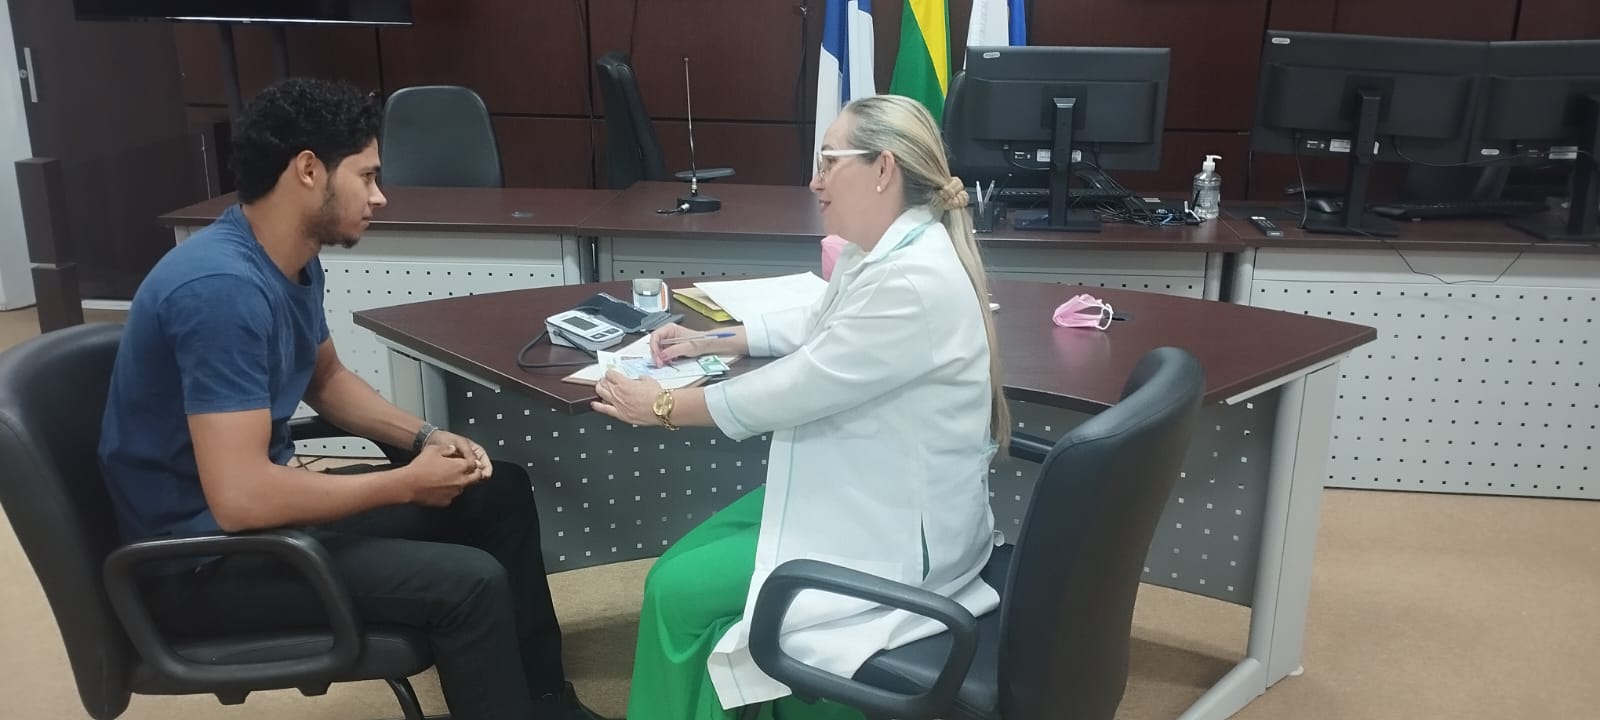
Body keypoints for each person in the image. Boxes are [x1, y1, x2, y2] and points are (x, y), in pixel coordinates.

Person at [98, 77, 603, 720]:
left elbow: (327, 379)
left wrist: (421, 441)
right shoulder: (220, 290)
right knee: (469, 585)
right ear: (309, 170)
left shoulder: (289, 259)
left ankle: (543, 705)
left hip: (256, 532)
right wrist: (403, 485)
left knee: (497, 492)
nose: (379, 195)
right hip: (198, 569)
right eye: (366, 176)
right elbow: (242, 496)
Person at [590, 94, 1011, 720]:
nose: (814, 181)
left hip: (889, 536)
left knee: (675, 592)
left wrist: (664, 405)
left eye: (827, 161)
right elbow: (821, 322)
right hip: (862, 493)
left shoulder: (911, 279)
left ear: (883, 169)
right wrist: (714, 339)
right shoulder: (888, 249)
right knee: (679, 573)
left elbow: (800, 387)